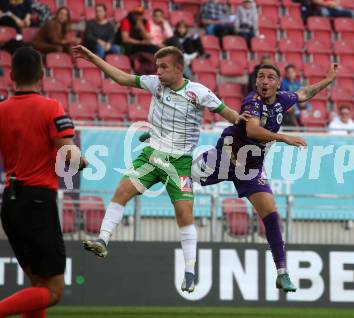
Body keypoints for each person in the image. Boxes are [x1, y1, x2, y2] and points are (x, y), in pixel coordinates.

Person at [71, 45, 250, 293]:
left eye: (164, 67)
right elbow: (122, 77)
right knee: (122, 190)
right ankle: (103, 239)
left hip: (180, 162)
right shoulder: (155, 84)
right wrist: (93, 58)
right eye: (157, 67)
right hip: (152, 155)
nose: (159, 72)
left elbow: (226, 112)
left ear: (179, 68)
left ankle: (189, 271)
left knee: (184, 214)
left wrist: (241, 122)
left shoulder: (198, 92)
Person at [192, 63, 338, 292]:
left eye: (270, 77)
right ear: (256, 82)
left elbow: (303, 93)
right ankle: (158, 145)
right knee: (180, 175)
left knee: (271, 215)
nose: (264, 81)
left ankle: (282, 273)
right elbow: (252, 131)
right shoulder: (252, 102)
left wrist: (327, 80)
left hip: (251, 169)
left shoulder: (283, 99)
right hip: (223, 160)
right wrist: (283, 137)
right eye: (261, 77)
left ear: (278, 84)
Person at [0, 47, 86, 317]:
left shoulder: (1, 109)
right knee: (54, 290)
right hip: (38, 201)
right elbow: (69, 156)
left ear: (11, 75)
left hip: (10, 203)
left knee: (37, 284)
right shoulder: (51, 108)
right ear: (42, 74)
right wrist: (83, 162)